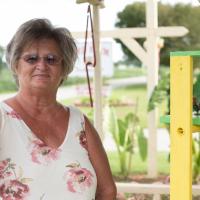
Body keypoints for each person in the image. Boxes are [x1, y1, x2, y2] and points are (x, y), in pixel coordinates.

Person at [0, 18, 116, 200]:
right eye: (31, 58)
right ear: (16, 65)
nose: (42, 65)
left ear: (64, 68)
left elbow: (107, 191)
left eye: (51, 59)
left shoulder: (79, 122)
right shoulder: (3, 117)